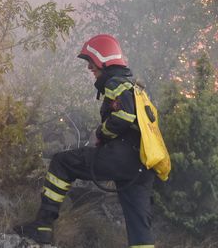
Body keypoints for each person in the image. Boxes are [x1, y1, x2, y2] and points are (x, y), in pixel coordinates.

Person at [14, 34, 155, 247]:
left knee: (62, 162)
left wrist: (100, 134)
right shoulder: (135, 88)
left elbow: (124, 117)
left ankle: (43, 226)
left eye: (92, 63)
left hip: (122, 155)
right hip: (142, 165)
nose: (90, 68)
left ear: (103, 60)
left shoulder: (116, 83)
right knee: (139, 224)